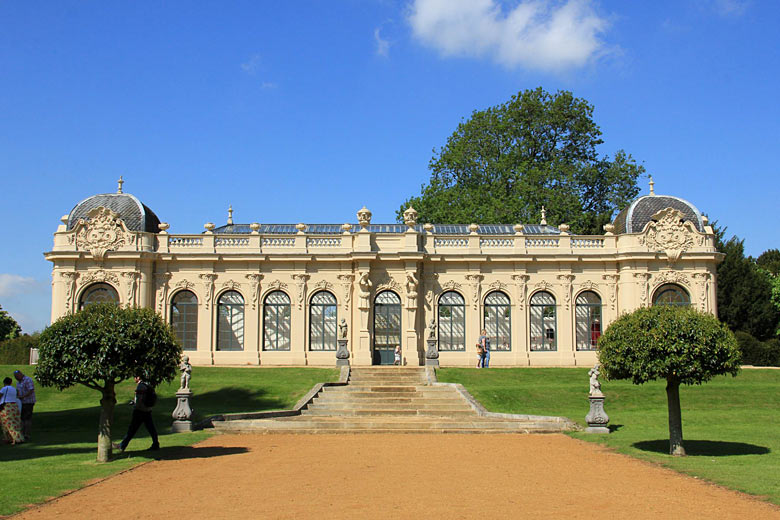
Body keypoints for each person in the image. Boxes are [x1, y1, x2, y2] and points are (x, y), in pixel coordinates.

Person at [114, 376, 159, 452]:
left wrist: (135, 405)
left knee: (132, 429)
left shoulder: (140, 386)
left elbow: (139, 400)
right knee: (151, 429)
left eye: (135, 377)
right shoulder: (148, 384)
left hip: (140, 411)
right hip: (147, 410)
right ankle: (155, 444)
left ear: (138, 377)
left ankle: (122, 446)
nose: (134, 378)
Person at [0, 377, 24, 444]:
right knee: (15, 423)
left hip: (6, 407)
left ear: (4, 382)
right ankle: (19, 437)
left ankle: (12, 439)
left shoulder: (4, 388)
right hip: (14, 406)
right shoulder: (14, 389)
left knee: (7, 423)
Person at [14, 369, 36, 441]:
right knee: (22, 418)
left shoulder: (27, 380)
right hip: (21, 402)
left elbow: (31, 390)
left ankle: (27, 434)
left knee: (27, 418)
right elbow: (18, 390)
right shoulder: (18, 382)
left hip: (28, 402)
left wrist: (23, 396)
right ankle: (22, 433)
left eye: (17, 377)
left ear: (20, 374)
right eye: (15, 377)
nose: (16, 378)